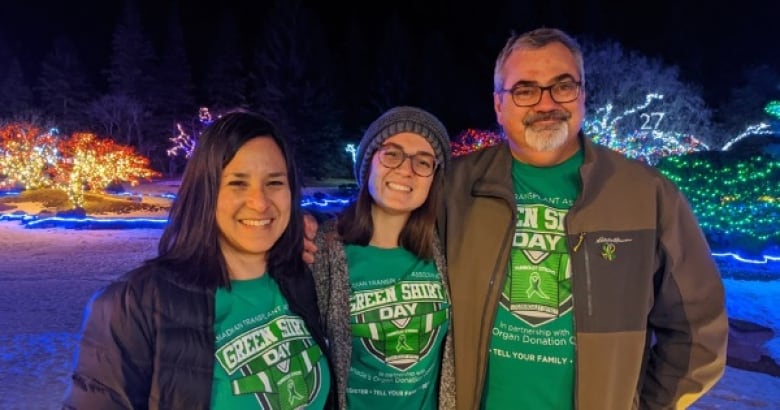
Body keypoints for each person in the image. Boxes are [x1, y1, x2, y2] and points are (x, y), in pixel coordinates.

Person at [440, 27, 728, 409]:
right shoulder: (453, 189)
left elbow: (699, 333)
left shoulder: (647, 195)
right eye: (525, 90)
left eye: (562, 86)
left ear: (583, 94)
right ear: (498, 104)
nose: (546, 103)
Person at [63, 111, 334, 409]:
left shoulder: (299, 277)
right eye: (237, 183)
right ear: (206, 191)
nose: (260, 202)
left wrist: (309, 221)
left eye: (274, 183)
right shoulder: (133, 305)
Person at [310, 106, 455, 409]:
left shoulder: (445, 247)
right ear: (369, 163)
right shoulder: (322, 249)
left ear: (433, 179)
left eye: (423, 161)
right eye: (392, 154)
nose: (406, 169)